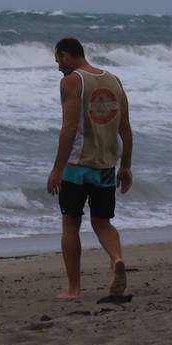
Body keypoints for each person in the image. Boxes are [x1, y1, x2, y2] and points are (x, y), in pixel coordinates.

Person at [46, 37, 133, 300]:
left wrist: (57, 169)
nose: (57, 65)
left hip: (76, 165)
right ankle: (116, 258)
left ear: (66, 55)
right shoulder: (114, 80)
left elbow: (70, 128)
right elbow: (125, 128)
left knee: (70, 224)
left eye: (58, 59)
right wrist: (126, 166)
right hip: (106, 164)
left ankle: (74, 288)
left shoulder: (72, 80)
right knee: (102, 222)